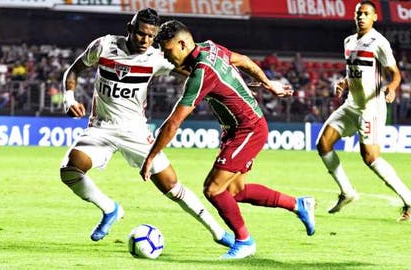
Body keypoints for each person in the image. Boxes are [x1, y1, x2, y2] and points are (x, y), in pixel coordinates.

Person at [140, 20, 316, 260]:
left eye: (167, 49)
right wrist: (269, 85)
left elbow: (173, 122)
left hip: (248, 128)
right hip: (237, 129)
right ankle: (298, 204)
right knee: (236, 191)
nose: (164, 54)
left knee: (213, 189)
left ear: (182, 44)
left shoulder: (201, 73)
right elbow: (243, 59)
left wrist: (151, 157)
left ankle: (245, 241)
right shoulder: (209, 48)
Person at [60, 8, 234, 247]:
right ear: (130, 29)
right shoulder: (104, 46)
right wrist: (69, 99)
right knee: (69, 170)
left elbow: (194, 72)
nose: (146, 40)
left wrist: (232, 81)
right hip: (102, 128)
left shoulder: (156, 58)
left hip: (136, 132)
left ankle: (218, 233)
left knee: (172, 186)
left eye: (151, 36)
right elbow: (75, 70)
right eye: (141, 34)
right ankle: (111, 209)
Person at [316, 0, 411, 221]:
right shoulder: (349, 41)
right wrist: (343, 82)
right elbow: (355, 72)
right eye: (359, 13)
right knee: (323, 144)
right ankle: (347, 192)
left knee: (370, 158)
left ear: (374, 17)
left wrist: (392, 88)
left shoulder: (379, 42)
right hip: (351, 105)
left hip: (371, 108)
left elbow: (395, 73)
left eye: (366, 14)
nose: (361, 17)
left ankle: (408, 199)